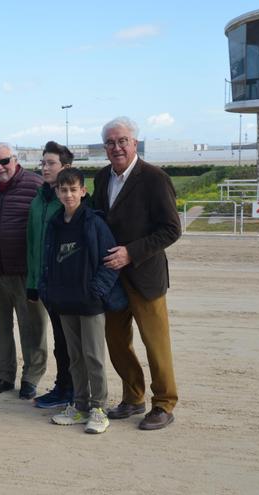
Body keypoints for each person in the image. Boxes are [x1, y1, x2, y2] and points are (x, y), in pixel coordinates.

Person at [92, 116, 182, 430]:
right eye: (110, 142)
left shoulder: (155, 178)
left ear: (134, 143)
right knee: (117, 342)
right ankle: (133, 398)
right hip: (112, 279)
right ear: (104, 148)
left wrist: (131, 252)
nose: (116, 147)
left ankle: (164, 404)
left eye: (122, 141)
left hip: (145, 277)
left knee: (155, 344)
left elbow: (171, 230)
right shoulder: (102, 178)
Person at [39, 168, 127, 434]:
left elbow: (111, 262)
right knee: (74, 357)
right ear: (57, 192)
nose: (68, 194)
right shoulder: (55, 223)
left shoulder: (93, 222)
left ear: (83, 191)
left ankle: (98, 408)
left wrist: (96, 291)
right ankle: (79, 405)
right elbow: (48, 261)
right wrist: (49, 292)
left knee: (94, 357)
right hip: (65, 302)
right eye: (63, 190)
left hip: (89, 303)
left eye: (73, 189)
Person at [0, 143, 47, 400]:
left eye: (4, 161)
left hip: (26, 272)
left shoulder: (36, 185)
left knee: (32, 327)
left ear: (15, 159)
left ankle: (31, 378)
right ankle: (4, 375)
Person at [26, 141, 77, 409]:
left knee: (71, 343)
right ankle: (63, 387)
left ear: (65, 167)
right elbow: (33, 243)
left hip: (67, 284)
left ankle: (74, 391)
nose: (44, 168)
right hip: (45, 283)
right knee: (59, 340)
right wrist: (32, 283)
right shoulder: (40, 198)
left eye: (50, 163)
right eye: (43, 163)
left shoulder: (72, 199)